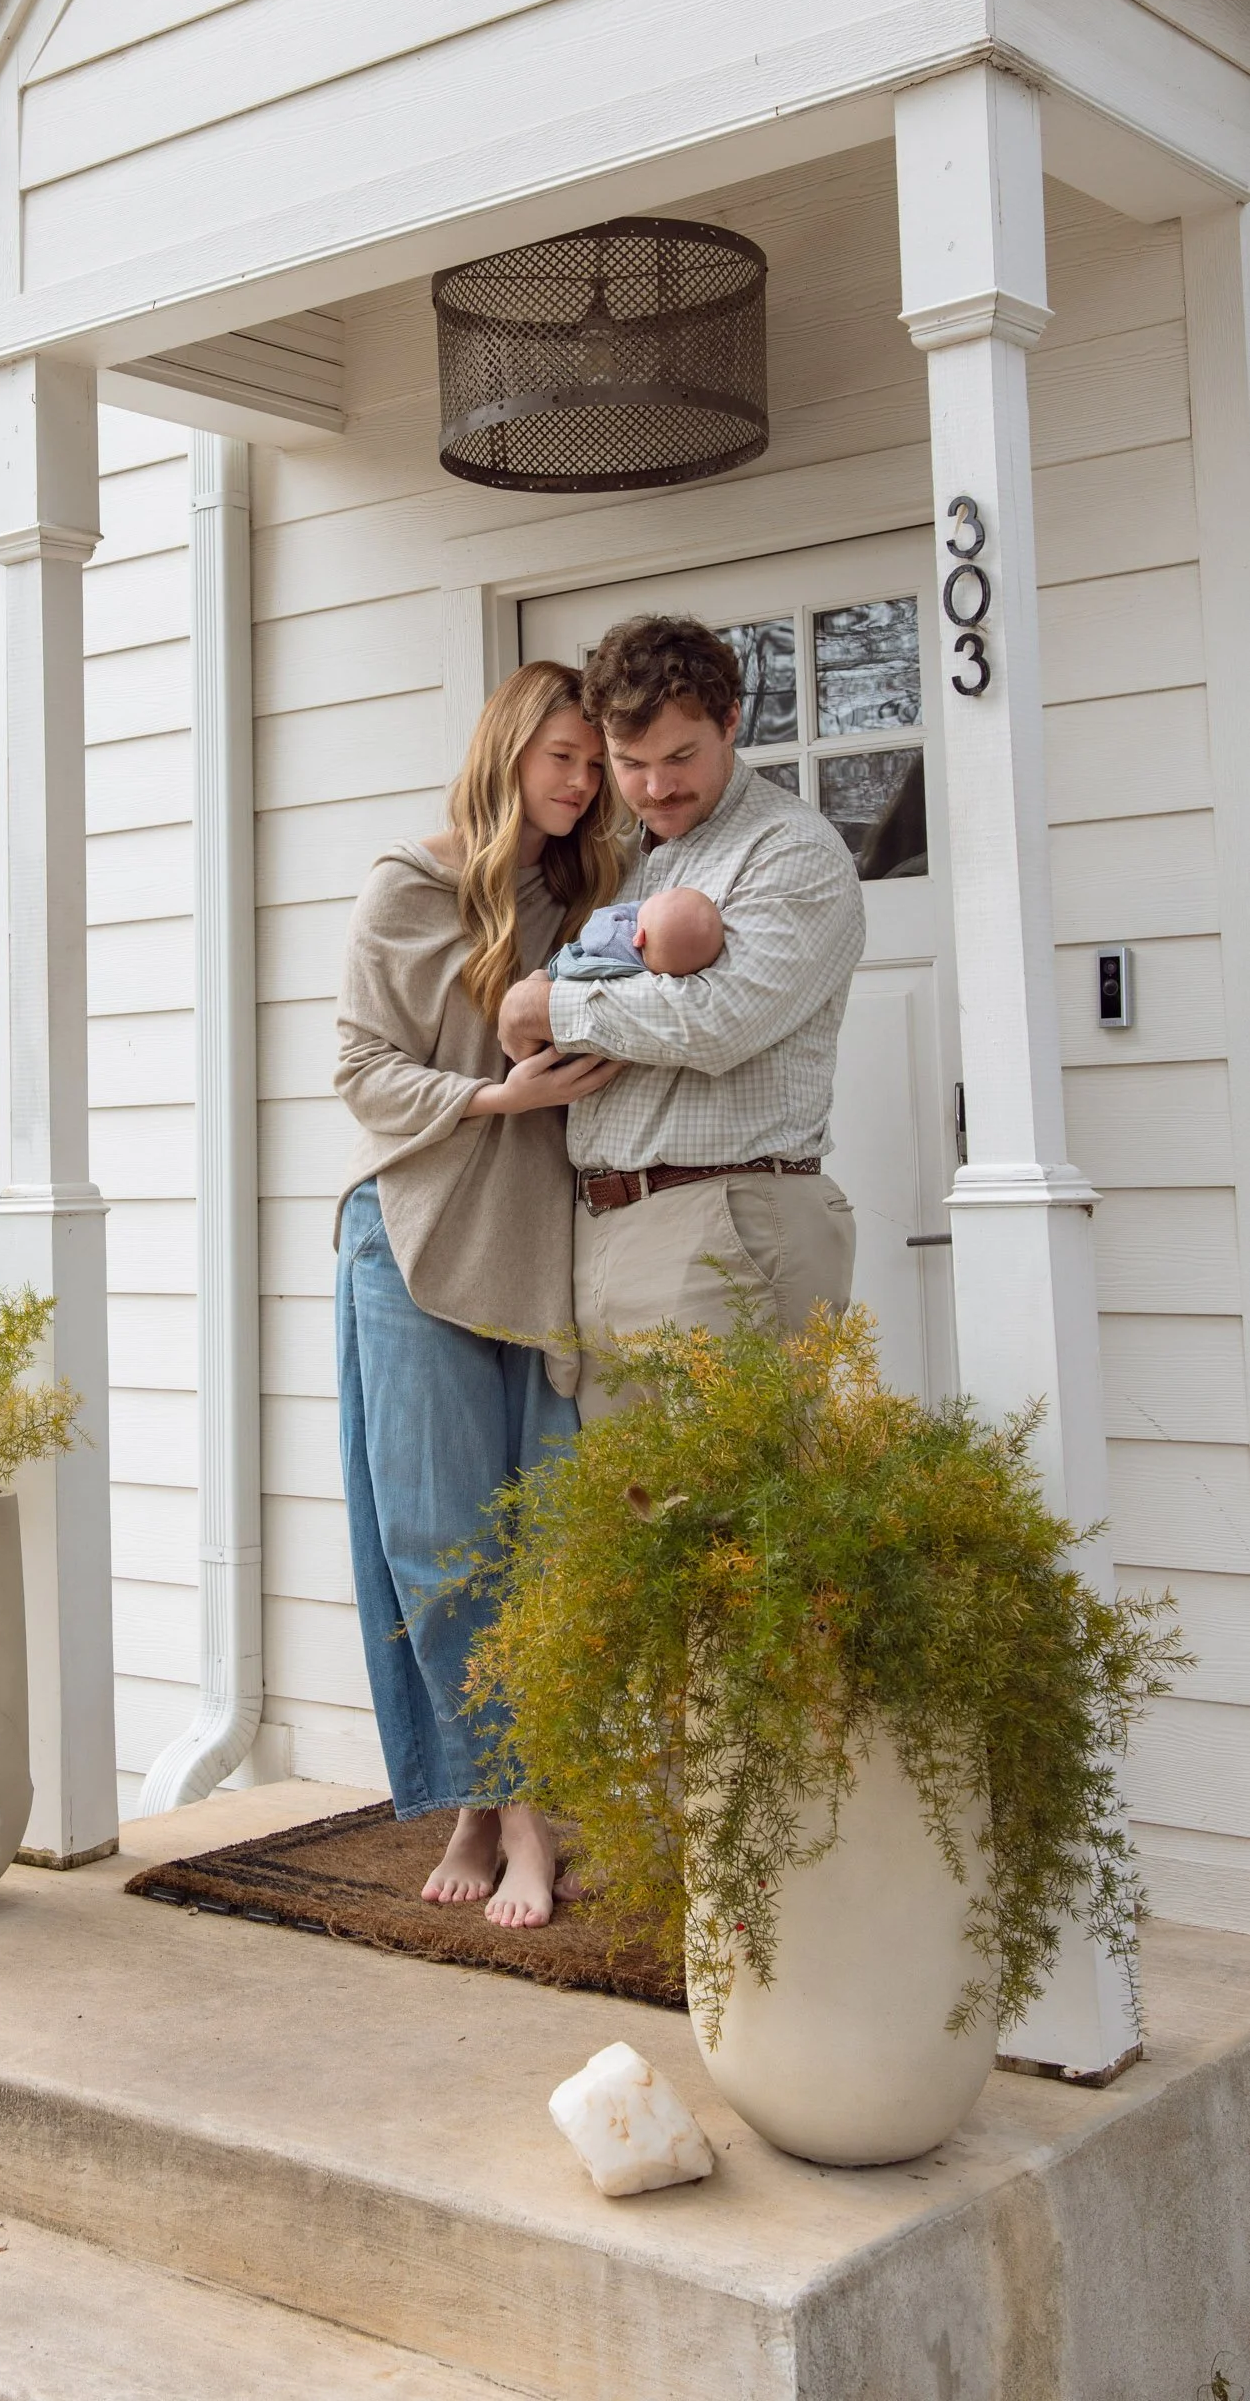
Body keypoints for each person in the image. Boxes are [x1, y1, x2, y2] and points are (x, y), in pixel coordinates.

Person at [333, 663, 628, 1926]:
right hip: (416, 1234)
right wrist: (493, 1099)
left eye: (594, 766)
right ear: (510, 749)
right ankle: (518, 1819)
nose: (580, 783)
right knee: (441, 1548)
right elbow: (357, 1065)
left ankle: (483, 1796)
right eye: (562, 757)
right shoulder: (413, 882)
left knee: (542, 1543)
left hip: (542, 1245)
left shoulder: (588, 898)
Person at [497, 616, 864, 1405]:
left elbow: (716, 1020)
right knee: (632, 1520)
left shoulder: (788, 849)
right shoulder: (623, 860)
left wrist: (551, 1007)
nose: (655, 786)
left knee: (734, 1519)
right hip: (602, 1231)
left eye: (679, 757)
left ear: (730, 721)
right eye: (628, 763)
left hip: (725, 1220)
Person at [548, 884, 725, 989]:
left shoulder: (615, 937)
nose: (656, 894)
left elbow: (595, 924)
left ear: (639, 938)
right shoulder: (659, 976)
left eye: (660, 896)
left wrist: (635, 910)